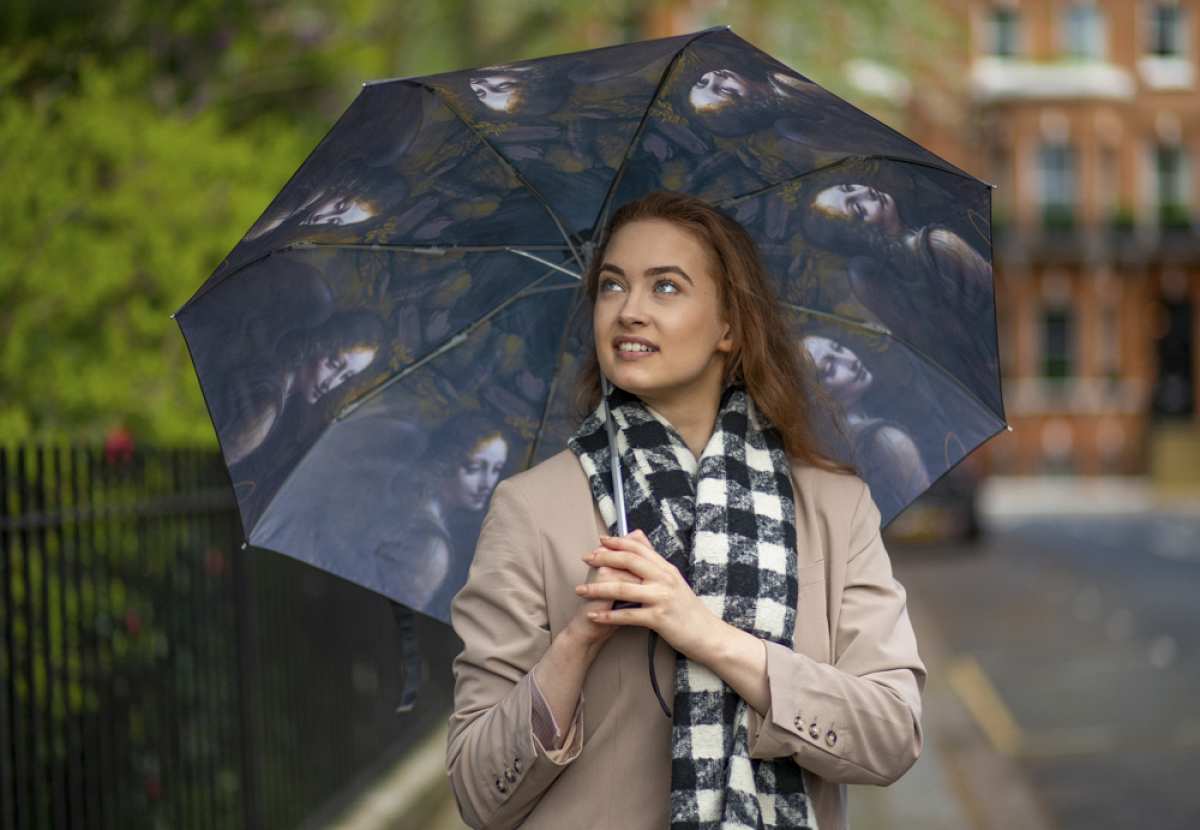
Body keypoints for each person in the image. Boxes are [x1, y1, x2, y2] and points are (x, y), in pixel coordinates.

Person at [446, 191, 925, 829]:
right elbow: (480, 795)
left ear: (728, 326)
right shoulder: (531, 510)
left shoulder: (835, 508)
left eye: (665, 287)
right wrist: (575, 644)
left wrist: (708, 636)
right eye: (612, 286)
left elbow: (891, 735)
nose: (629, 311)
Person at [378, 413, 512, 621]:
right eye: (474, 467)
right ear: (445, 462)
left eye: (496, 470)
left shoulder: (409, 504)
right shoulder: (432, 549)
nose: (488, 483)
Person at [801, 334, 931, 522]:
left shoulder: (823, 448)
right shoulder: (889, 441)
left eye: (838, 347)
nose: (849, 360)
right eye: (829, 368)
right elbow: (924, 518)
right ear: (813, 397)